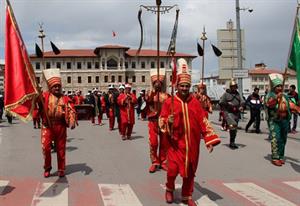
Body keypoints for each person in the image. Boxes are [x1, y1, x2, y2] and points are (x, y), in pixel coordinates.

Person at [159, 58, 221, 206]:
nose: (185, 88)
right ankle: (169, 189)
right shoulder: (170, 102)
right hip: (175, 144)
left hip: (192, 145)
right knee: (172, 170)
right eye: (182, 86)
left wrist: (209, 140)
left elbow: (203, 122)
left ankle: (186, 196)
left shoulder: (195, 103)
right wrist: (169, 121)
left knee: (190, 173)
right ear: (177, 86)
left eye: (187, 86)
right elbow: (161, 120)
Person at [38, 68, 76, 177]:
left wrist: (72, 120)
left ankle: (61, 169)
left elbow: (71, 109)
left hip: (61, 126)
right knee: (46, 148)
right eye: (54, 86)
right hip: (47, 126)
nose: (57, 88)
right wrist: (37, 94)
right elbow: (36, 101)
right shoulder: (45, 96)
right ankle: (47, 167)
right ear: (50, 87)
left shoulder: (65, 98)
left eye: (58, 86)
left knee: (61, 148)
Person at [145, 68, 169, 173]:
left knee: (164, 143)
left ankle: (163, 162)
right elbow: (147, 100)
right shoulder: (150, 94)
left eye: (159, 82)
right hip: (153, 121)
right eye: (155, 82)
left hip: (163, 122)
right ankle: (155, 162)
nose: (157, 84)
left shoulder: (167, 95)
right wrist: (153, 92)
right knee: (154, 143)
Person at [265, 73, 291, 166]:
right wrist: (276, 98)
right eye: (277, 86)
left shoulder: (285, 96)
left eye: (281, 86)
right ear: (273, 87)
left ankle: (281, 156)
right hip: (274, 120)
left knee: (283, 139)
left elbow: (290, 105)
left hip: (284, 120)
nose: (280, 88)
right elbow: (268, 104)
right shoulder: (269, 95)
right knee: (276, 138)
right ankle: (275, 157)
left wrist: (297, 109)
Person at [219, 79, 245, 149]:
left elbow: (242, 101)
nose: (234, 87)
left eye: (235, 86)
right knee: (233, 125)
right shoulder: (226, 94)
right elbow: (221, 102)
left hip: (236, 112)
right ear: (230, 87)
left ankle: (232, 141)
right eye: (232, 86)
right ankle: (232, 142)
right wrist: (228, 104)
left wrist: (242, 106)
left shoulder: (238, 94)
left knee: (234, 128)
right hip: (228, 112)